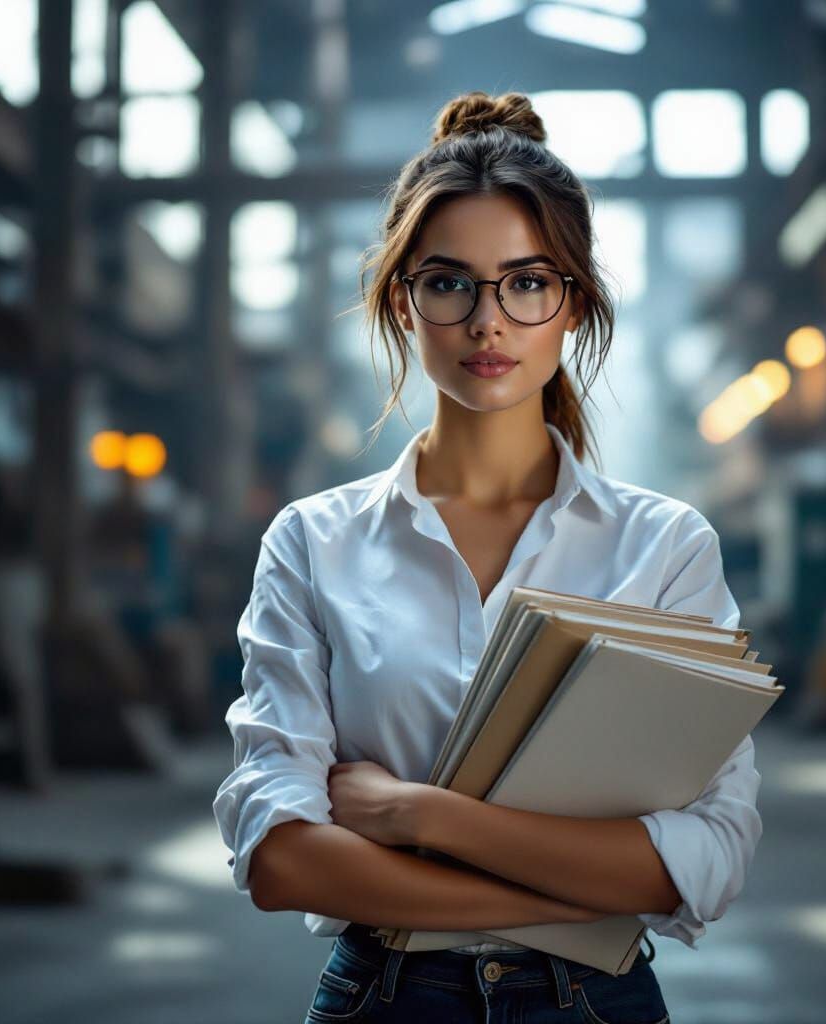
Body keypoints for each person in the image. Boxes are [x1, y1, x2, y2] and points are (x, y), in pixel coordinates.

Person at [213, 90, 763, 1023]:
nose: (488, 321)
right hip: (383, 999)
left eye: (528, 281)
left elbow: (710, 853)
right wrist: (577, 892)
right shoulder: (314, 542)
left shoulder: (663, 546)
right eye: (449, 281)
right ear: (402, 299)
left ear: (574, 303)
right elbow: (279, 857)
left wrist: (420, 817)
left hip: (596, 1005)